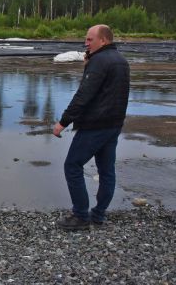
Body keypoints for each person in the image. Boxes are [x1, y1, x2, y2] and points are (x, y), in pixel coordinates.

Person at [53, 24, 130, 230]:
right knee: (107, 171)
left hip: (95, 125)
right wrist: (89, 64)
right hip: (113, 124)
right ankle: (98, 215)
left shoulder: (99, 61)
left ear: (103, 40)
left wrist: (63, 122)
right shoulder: (121, 61)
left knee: (72, 166)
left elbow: (84, 95)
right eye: (86, 39)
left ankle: (80, 216)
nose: (86, 43)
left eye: (90, 40)